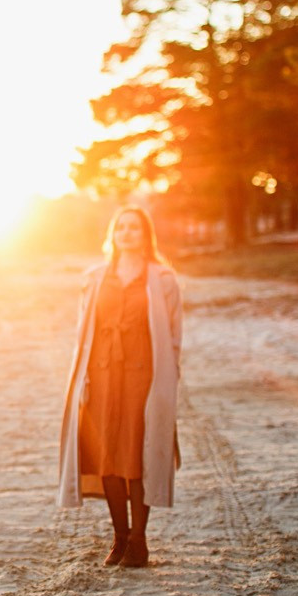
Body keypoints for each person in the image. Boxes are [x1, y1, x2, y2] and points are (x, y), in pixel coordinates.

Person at [57, 204, 182, 568]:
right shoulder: (94, 278)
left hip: (144, 377)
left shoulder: (163, 279)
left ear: (146, 235)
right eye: (121, 227)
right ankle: (120, 538)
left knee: (138, 454)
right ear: (113, 234)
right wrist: (83, 377)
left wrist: (169, 380)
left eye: (134, 228)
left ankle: (139, 541)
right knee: (108, 455)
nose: (127, 233)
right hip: (101, 375)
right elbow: (82, 332)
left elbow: (174, 337)